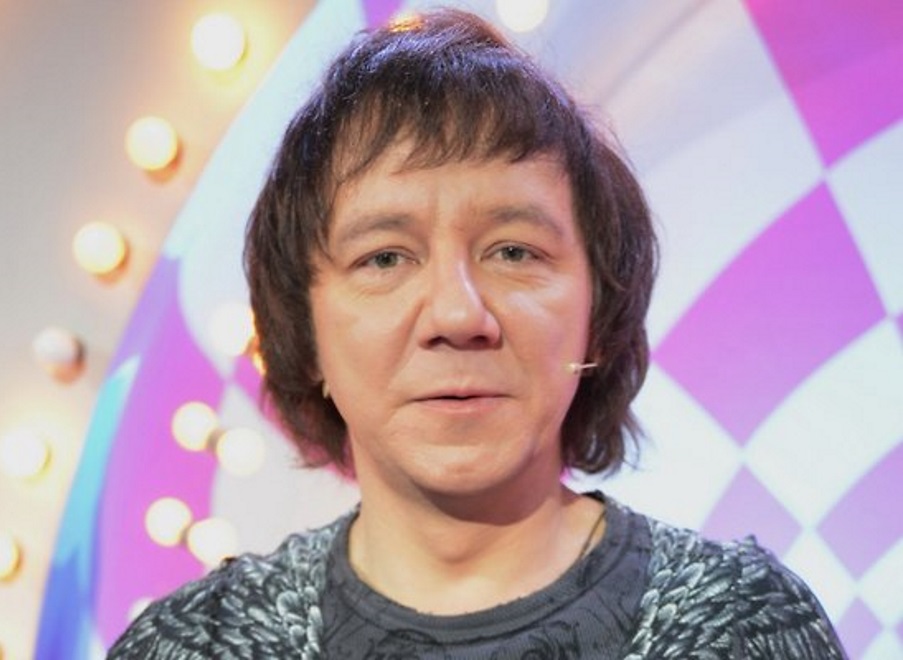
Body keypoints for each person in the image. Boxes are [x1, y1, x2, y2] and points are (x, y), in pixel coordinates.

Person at [109, 9, 846, 658]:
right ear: (304, 329)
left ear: (599, 310)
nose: (457, 316)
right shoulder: (196, 646)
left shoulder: (743, 628)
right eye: (385, 258)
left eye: (513, 252)